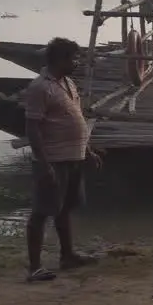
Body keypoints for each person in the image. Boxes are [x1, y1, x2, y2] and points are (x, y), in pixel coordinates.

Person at [23, 38, 99, 282]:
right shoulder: (39, 88)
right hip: (53, 159)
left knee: (64, 208)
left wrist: (88, 150)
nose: (76, 63)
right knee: (41, 212)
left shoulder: (67, 83)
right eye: (73, 58)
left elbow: (76, 118)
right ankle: (34, 267)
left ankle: (68, 256)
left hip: (72, 156)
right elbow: (32, 128)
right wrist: (44, 164)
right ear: (59, 60)